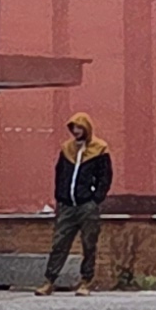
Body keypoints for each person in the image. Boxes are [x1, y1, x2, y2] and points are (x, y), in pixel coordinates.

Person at [41, 113, 112, 291]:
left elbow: (105, 177)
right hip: (67, 206)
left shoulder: (100, 149)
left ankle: (86, 281)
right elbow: (60, 174)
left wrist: (96, 199)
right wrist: (60, 196)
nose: (76, 131)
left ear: (87, 128)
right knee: (59, 243)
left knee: (89, 243)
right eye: (74, 128)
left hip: (87, 206)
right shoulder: (67, 149)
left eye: (80, 128)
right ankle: (49, 281)